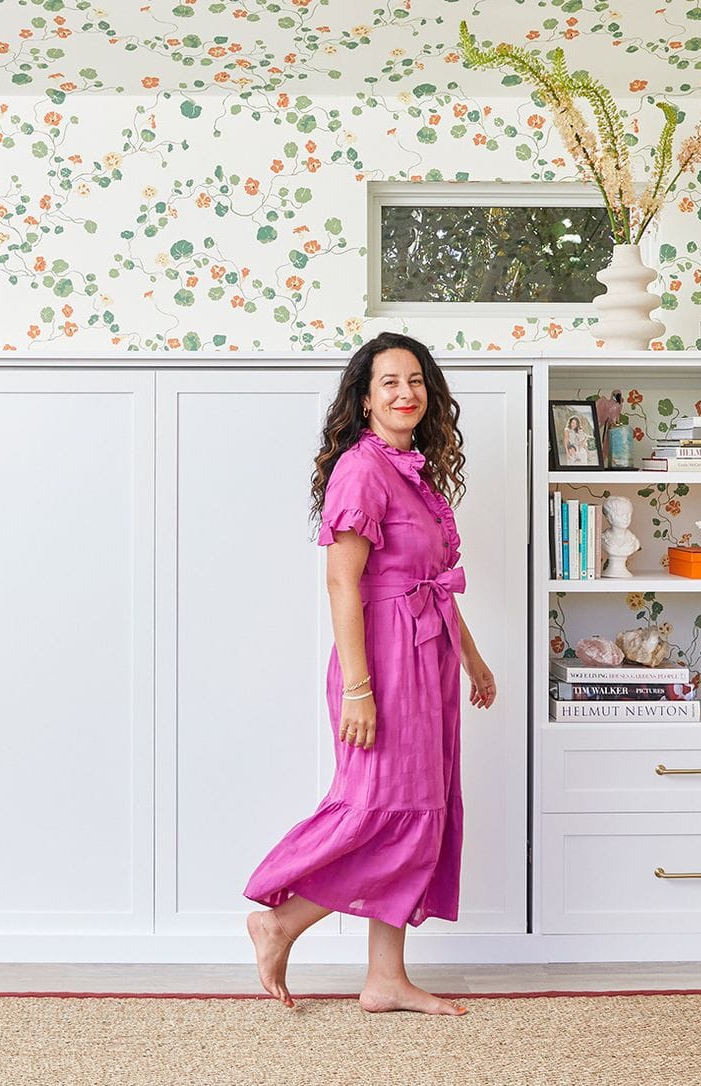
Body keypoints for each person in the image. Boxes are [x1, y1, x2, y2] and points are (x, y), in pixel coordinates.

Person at [242, 331, 498, 1017]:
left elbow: (434, 582)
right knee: (381, 813)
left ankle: (385, 978)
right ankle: (280, 919)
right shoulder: (361, 469)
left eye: (415, 380)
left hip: (431, 653)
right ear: (363, 397)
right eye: (388, 382)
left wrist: (470, 656)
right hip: (383, 661)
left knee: (420, 815)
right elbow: (341, 582)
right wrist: (359, 686)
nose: (405, 393)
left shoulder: (414, 469)